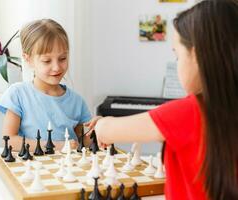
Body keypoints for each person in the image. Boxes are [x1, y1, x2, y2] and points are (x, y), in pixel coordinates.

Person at [94, 1, 238, 199]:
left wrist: (101, 124)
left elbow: (107, 131)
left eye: (177, 56)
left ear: (196, 55)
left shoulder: (189, 111)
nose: (177, 63)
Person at [0, 19, 92, 151]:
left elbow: (77, 144)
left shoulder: (77, 101)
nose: (56, 67)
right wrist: (55, 146)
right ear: (28, 59)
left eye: (63, 58)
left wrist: (98, 134)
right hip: (32, 169)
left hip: (68, 169)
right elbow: (9, 140)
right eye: (47, 61)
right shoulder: (18, 94)